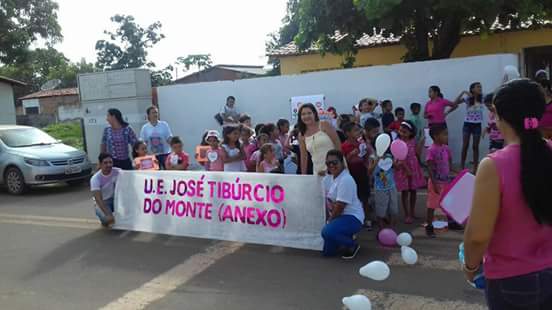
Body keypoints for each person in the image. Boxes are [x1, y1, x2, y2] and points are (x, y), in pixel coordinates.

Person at [463, 79, 552, 309]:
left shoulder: (493, 166)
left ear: (500, 116)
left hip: (511, 280)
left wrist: (470, 267)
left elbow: (478, 236)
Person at [321, 150, 364, 259]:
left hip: (352, 217)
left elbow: (340, 206)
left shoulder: (346, 180)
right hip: (339, 217)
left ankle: (352, 244)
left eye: (334, 162)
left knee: (327, 231)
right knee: (328, 253)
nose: (331, 165)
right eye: (328, 163)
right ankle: (344, 237)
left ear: (342, 163)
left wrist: (329, 221)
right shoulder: (329, 178)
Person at [394, 121, 426, 224]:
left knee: (413, 191)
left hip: (413, 167)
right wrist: (407, 170)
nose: (402, 133)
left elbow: (417, 153)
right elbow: (400, 158)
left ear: (411, 133)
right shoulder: (398, 142)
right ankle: (407, 214)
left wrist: (422, 142)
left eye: (405, 132)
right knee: (405, 191)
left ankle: (412, 212)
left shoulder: (412, 141)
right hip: (404, 169)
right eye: (400, 131)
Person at [341, 122, 371, 229]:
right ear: (348, 133)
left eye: (359, 130)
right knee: (354, 196)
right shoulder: (344, 146)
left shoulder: (362, 143)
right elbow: (343, 161)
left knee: (365, 195)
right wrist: (351, 154)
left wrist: (367, 151)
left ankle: (366, 218)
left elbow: (366, 157)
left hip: (362, 170)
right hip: (351, 173)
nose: (359, 132)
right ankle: (355, 217)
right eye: (355, 130)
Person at [425, 124, 453, 238]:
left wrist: (456, 174)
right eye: (445, 134)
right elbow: (430, 168)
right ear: (436, 136)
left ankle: (452, 222)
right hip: (436, 182)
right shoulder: (431, 150)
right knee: (432, 205)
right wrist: (435, 183)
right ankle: (429, 226)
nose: (447, 136)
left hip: (446, 181)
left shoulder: (446, 148)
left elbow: (448, 164)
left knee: (449, 203)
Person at [298, 103, 341, 176]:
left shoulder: (324, 125)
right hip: (319, 172)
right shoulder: (301, 135)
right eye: (303, 114)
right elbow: (304, 157)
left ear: (314, 114)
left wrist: (335, 164)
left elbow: (337, 144)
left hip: (336, 168)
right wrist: (303, 176)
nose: (306, 116)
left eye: (309, 113)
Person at [368, 136, 398, 231]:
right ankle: (381, 228)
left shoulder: (389, 156)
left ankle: (392, 227)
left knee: (393, 208)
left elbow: (396, 167)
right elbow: (369, 171)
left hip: (391, 186)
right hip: (380, 187)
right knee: (381, 208)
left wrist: (395, 162)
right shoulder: (372, 158)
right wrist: (377, 160)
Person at [457, 82, 484, 171]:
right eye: (478, 87)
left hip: (477, 125)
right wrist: (463, 92)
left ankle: (475, 168)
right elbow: (455, 103)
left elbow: (493, 98)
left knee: (475, 146)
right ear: (472, 89)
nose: (480, 88)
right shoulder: (467, 98)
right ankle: (462, 166)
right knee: (465, 145)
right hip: (467, 124)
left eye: (480, 87)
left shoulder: (482, 98)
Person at [90, 153, 121, 228]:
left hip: (116, 200)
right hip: (103, 202)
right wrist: (108, 214)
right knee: (107, 220)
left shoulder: (118, 172)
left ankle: (116, 216)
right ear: (100, 164)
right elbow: (98, 199)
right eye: (105, 163)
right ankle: (106, 217)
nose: (109, 165)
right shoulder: (95, 179)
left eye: (110, 162)